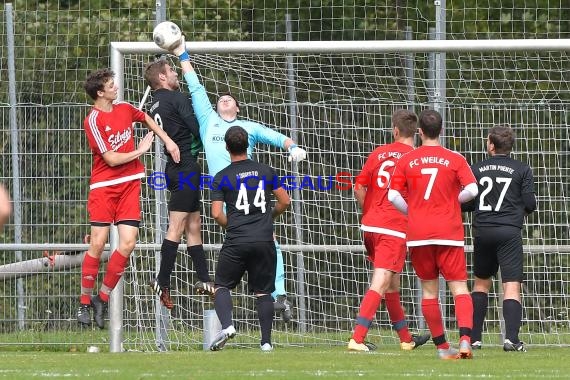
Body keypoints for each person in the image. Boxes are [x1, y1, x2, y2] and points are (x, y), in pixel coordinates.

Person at [169, 37, 307, 322]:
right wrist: (182, 54)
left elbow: (276, 136)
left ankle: (278, 295)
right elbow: (195, 87)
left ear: (238, 108)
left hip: (251, 192)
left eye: (229, 99)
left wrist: (292, 147)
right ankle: (229, 310)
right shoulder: (208, 121)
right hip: (226, 197)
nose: (224, 99)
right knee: (244, 248)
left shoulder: (249, 127)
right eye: (221, 98)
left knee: (270, 241)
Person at [78, 68, 180, 329]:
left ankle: (102, 298)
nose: (116, 87)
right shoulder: (92, 120)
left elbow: (145, 117)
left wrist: (166, 139)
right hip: (104, 187)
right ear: (100, 92)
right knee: (98, 243)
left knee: (128, 243)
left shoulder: (123, 107)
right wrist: (140, 151)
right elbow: (110, 159)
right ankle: (84, 302)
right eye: (111, 85)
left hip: (129, 186)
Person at [388, 109, 479, 360]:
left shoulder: (407, 160)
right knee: (459, 288)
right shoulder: (454, 158)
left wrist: (413, 211)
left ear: (420, 132)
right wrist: (453, 202)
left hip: (419, 234)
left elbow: (393, 195)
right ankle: (464, 341)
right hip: (448, 232)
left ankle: (441, 347)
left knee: (429, 292)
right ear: (441, 130)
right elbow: (472, 189)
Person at [348, 109, 430, 352]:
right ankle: (357, 338)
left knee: (393, 283)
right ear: (415, 133)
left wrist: (370, 210)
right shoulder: (415, 158)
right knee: (382, 280)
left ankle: (406, 339)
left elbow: (358, 187)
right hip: (393, 227)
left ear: (395, 130)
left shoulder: (378, 153)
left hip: (370, 225)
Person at [208, 126, 291, 352]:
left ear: (227, 148)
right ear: (248, 146)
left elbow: (216, 213)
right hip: (264, 241)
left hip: (236, 240)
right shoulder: (266, 170)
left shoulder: (221, 176)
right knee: (264, 291)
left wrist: (231, 225)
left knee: (222, 286)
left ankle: (228, 326)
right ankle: (265, 342)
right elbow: (285, 201)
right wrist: (269, 217)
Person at [144, 59, 214, 310]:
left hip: (173, 168)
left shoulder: (154, 105)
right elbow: (197, 129)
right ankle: (161, 280)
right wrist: (215, 133)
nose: (175, 74)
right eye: (171, 71)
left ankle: (205, 280)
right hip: (185, 166)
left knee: (194, 225)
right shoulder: (178, 98)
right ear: (162, 77)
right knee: (176, 227)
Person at [461, 125, 536, 352]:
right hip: (509, 232)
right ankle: (511, 340)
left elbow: (467, 202)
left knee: (481, 283)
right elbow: (530, 204)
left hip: (483, 230)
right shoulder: (522, 169)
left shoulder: (476, 168)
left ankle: (474, 339)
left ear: (492, 145)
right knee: (511, 285)